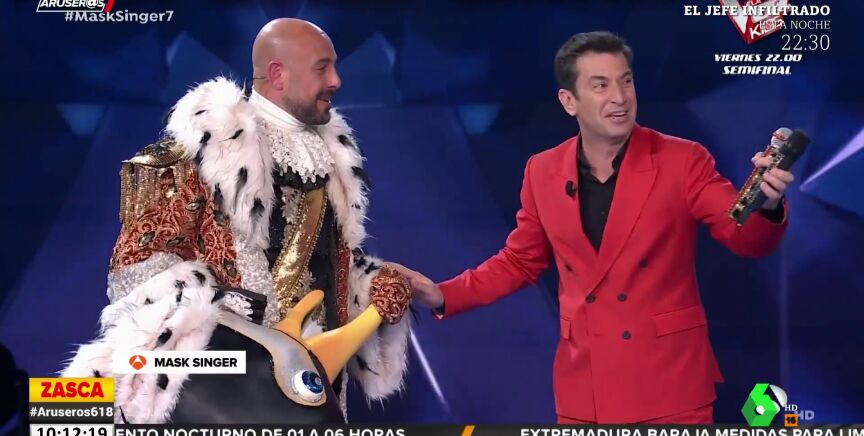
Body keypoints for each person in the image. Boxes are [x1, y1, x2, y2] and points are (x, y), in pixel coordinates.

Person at [390, 31, 793, 424]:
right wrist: (443, 293)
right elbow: (520, 261)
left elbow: (743, 236)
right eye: (601, 86)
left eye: (626, 82)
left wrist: (767, 204)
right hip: (585, 390)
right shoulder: (542, 170)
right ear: (569, 101)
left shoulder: (682, 159)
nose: (619, 98)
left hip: (669, 387)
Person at [61, 18, 411, 423]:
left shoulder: (330, 161)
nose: (337, 80)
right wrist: (241, 324)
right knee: (63, 410)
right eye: (323, 68)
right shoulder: (198, 154)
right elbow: (134, 270)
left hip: (313, 391)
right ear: (278, 74)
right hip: (225, 395)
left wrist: (370, 287)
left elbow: (326, 272)